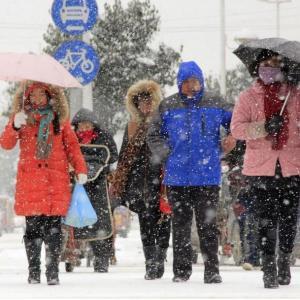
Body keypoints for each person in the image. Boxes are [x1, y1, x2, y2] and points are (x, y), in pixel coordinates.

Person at [147, 61, 234, 283]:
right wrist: (168, 155)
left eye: (195, 81)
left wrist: (231, 141)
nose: (191, 86)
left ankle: (212, 270)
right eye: (186, 82)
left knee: (208, 226)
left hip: (208, 176)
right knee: (181, 226)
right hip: (177, 177)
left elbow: (237, 123)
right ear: (179, 83)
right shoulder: (167, 106)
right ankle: (181, 271)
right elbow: (154, 134)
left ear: (201, 81)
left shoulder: (216, 103)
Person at [0, 81, 87, 285]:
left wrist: (81, 168)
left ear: (50, 97)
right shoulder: (21, 119)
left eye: (42, 95)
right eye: (33, 95)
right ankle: (34, 270)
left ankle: (52, 270)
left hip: (55, 181)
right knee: (33, 229)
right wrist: (14, 125)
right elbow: (5, 143)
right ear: (27, 98)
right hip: (31, 182)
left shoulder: (60, 121)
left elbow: (73, 147)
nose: (38, 99)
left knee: (54, 230)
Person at [231, 50, 300, 288]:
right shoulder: (248, 97)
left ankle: (284, 261)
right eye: (265, 64)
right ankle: (268, 265)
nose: (269, 68)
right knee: (265, 220)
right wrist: (264, 127)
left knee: (290, 220)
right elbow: (237, 129)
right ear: (257, 68)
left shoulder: (295, 94)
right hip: (260, 169)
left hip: (292, 167)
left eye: (274, 64)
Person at [109, 80, 171, 280]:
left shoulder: (165, 124)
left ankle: (160, 257)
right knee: (146, 223)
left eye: (149, 101)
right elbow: (125, 157)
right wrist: (120, 187)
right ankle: (150, 263)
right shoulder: (132, 127)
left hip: (162, 182)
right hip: (140, 185)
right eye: (141, 102)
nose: (146, 105)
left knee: (163, 221)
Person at [69, 108, 118, 273]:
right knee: (74, 220)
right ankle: (71, 253)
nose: (84, 128)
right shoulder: (70, 137)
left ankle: (101, 258)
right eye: (81, 125)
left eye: (87, 124)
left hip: (98, 187)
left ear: (93, 125)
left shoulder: (103, 137)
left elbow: (112, 156)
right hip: (76, 185)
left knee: (100, 222)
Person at [225, 140, 260, 270]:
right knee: (244, 221)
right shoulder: (238, 133)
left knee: (250, 221)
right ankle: (249, 255)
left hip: (250, 181)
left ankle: (251, 255)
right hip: (241, 183)